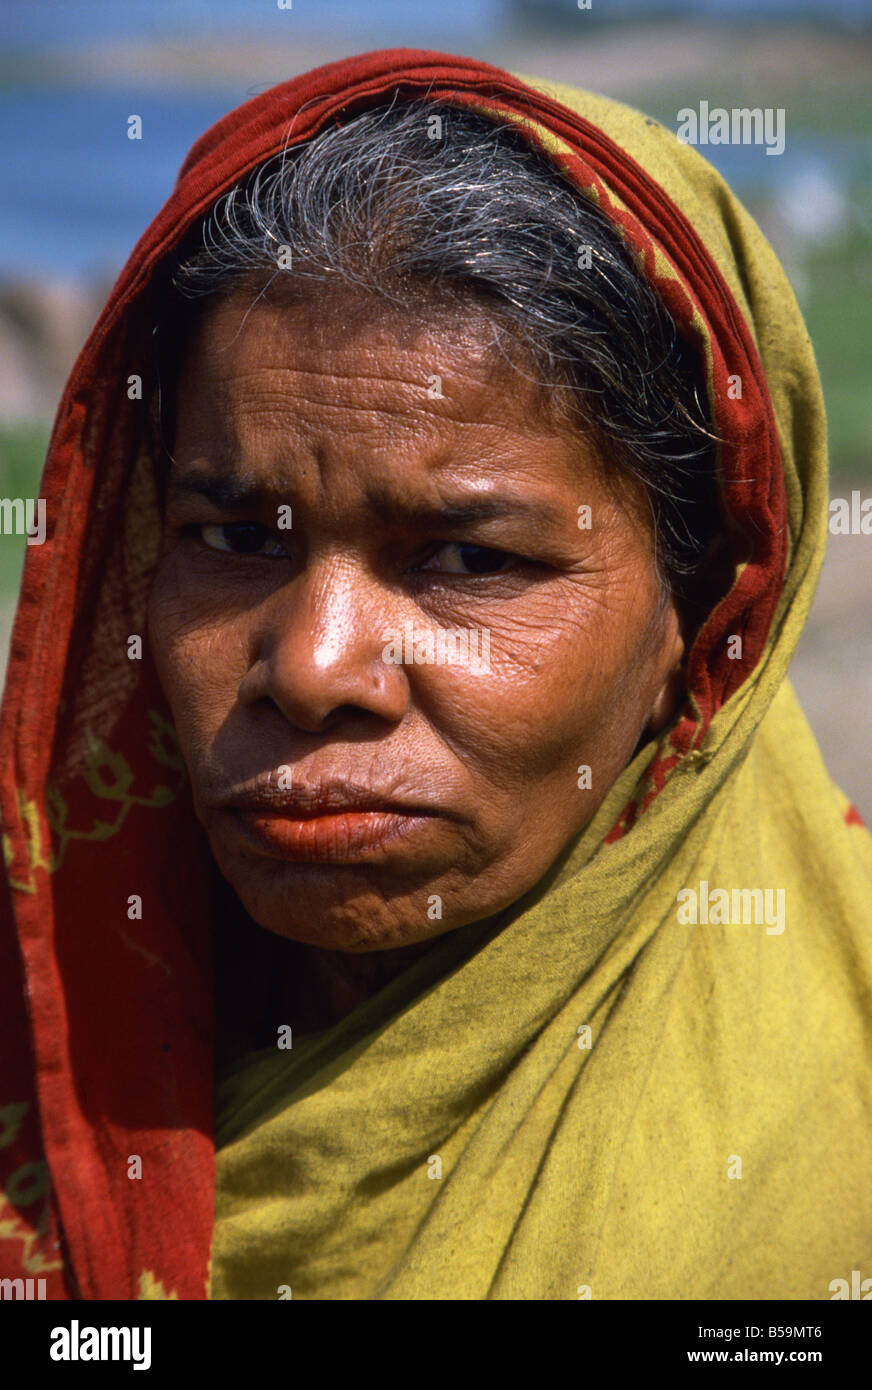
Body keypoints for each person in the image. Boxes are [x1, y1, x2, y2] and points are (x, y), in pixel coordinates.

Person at [1, 48, 870, 1301]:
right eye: (237, 538)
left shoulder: (817, 1169)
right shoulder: (56, 1001)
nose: (309, 670)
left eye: (464, 556)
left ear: (707, 603)